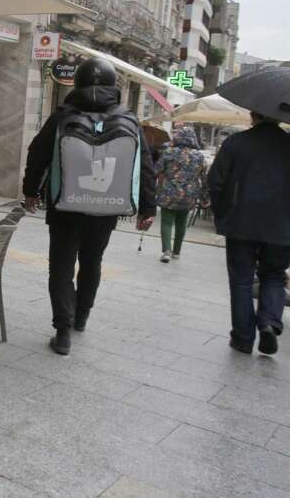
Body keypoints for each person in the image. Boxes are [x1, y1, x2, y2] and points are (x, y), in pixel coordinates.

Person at [22, 58, 156, 356]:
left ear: (78, 83)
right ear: (113, 85)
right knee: (92, 262)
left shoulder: (62, 116)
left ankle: (62, 331)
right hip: (107, 207)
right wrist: (148, 208)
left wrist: (30, 191)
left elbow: (37, 152)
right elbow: (144, 165)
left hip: (64, 207)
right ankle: (81, 317)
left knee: (61, 265)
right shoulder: (129, 119)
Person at [208, 111, 290, 355]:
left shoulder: (236, 142)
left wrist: (222, 213)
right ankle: (268, 322)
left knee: (242, 280)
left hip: (240, 222)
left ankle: (243, 338)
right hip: (282, 224)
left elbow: (216, 181)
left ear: (253, 114)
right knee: (274, 275)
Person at [155, 126, 207, 263]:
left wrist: (157, 187)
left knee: (166, 222)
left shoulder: (168, 152)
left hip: (168, 193)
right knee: (181, 222)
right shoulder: (199, 157)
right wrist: (205, 197)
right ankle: (177, 252)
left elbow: (157, 171)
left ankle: (166, 251)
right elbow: (204, 179)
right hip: (188, 195)